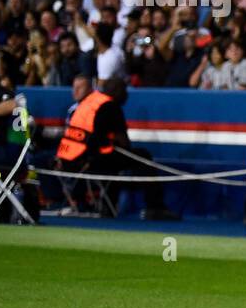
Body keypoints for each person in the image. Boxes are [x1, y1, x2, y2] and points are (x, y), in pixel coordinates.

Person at [53, 76, 178, 220]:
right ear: (117, 91)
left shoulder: (89, 102)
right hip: (86, 162)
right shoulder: (111, 106)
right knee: (143, 156)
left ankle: (109, 205)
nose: (127, 95)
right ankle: (154, 206)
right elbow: (123, 141)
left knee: (113, 158)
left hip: (67, 160)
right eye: (124, 90)